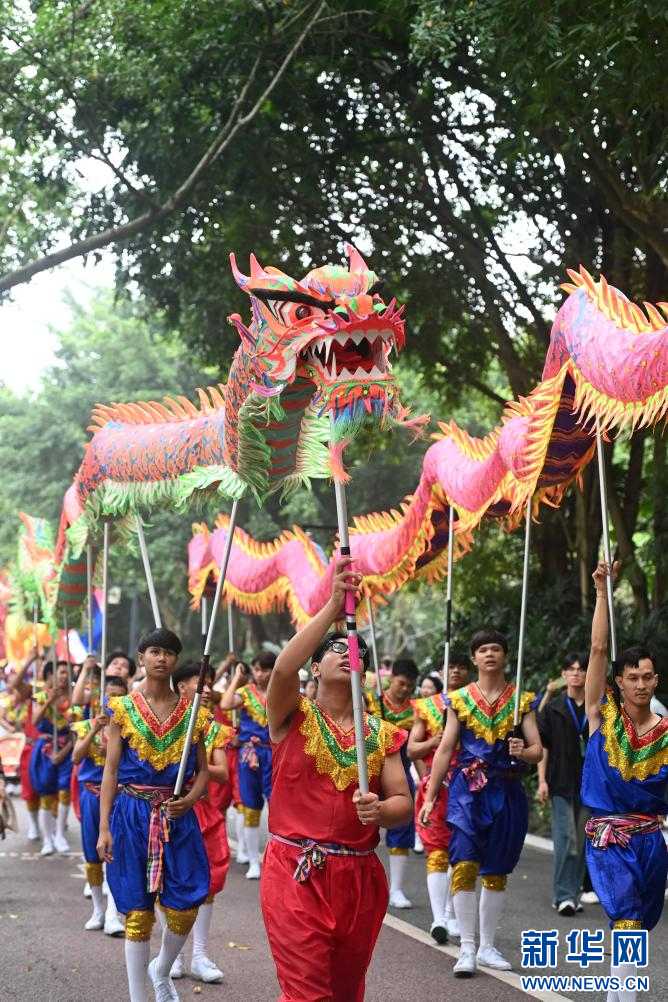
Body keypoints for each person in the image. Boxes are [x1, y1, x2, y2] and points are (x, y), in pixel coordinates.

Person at [261, 557, 412, 1002]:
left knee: (345, 992)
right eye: (337, 649)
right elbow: (282, 670)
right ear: (316, 667)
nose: (349, 654)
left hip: (359, 877)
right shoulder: (292, 715)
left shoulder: (381, 734)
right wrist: (332, 607)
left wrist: (380, 811)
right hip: (295, 869)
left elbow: (402, 803)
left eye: (357, 652)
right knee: (307, 992)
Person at [97, 628, 211, 1002]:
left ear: (177, 660)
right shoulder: (122, 709)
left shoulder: (194, 713)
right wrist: (104, 827)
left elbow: (203, 771)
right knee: (137, 912)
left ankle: (161, 969)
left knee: (186, 905)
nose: (162, 658)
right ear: (141, 657)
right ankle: (138, 997)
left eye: (169, 653)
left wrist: (190, 800)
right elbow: (111, 771)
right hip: (131, 815)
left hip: (176, 815)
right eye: (154, 651)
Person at [419, 629, 542, 977]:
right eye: (483, 649)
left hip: (507, 789)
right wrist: (430, 797)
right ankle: (467, 948)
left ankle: (487, 946)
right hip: (467, 793)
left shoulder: (522, 700)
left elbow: (537, 750)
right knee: (464, 864)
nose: (489, 654)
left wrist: (524, 751)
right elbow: (445, 749)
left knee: (497, 871)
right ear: (474, 658)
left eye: (496, 649)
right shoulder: (458, 699)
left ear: (505, 656)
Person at [583, 562, 668, 1002]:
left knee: (636, 926)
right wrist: (602, 592)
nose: (640, 684)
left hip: (651, 839)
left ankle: (617, 995)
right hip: (609, 836)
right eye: (631, 677)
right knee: (628, 919)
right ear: (619, 681)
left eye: (646, 677)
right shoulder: (602, 716)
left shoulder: (667, 734)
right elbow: (599, 648)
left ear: (656, 680)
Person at [168, 660, 233, 985]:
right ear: (182, 687)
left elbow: (222, 773)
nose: (208, 689)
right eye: (201, 683)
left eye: (209, 684)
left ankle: (200, 955)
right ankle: (173, 955)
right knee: (170, 881)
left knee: (209, 881)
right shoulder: (165, 722)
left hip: (203, 811)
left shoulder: (214, 728)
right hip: (170, 810)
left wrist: (197, 765)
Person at [409, 651, 470, 942]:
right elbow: (412, 749)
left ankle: (451, 913)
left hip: (469, 787)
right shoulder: (426, 707)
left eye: (460, 667)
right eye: (450, 667)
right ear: (441, 672)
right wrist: (434, 742)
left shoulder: (477, 705)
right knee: (436, 850)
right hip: (436, 785)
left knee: (462, 852)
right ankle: (439, 919)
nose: (455, 672)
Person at [71, 674, 128, 935]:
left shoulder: (130, 727)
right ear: (101, 697)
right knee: (92, 855)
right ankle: (97, 910)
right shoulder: (86, 725)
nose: (113, 700)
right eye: (109, 695)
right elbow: (76, 757)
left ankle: (113, 915)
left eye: (119, 695)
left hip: (119, 796)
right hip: (90, 796)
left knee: (115, 854)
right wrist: (95, 729)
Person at [537, 652, 591, 916]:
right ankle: (563, 895)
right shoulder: (554, 707)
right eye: (571, 668)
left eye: (581, 669)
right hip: (560, 781)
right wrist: (542, 780)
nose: (576, 673)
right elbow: (543, 746)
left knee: (582, 841)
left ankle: (574, 893)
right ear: (564, 674)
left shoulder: (598, 707)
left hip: (589, 785)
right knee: (565, 838)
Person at [365, 657, 418, 908]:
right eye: (401, 683)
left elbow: (416, 751)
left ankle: (396, 888)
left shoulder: (416, 711)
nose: (405, 689)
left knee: (402, 829)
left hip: (400, 773)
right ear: (392, 678)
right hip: (368, 773)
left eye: (410, 685)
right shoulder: (369, 702)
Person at [219, 649, 276, 879]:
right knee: (251, 807)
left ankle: (275, 860)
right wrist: (237, 678)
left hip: (274, 754)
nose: (259, 674)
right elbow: (225, 703)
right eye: (257, 669)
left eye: (264, 670)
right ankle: (254, 861)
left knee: (277, 808)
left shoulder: (281, 691)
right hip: (249, 756)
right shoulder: (246, 692)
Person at [30, 659, 80, 855]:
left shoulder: (75, 699)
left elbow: (76, 731)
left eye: (68, 672)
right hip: (45, 752)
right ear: (53, 675)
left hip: (66, 751)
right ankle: (47, 840)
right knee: (45, 794)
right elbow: (35, 721)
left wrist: (64, 752)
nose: (65, 676)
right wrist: (49, 702)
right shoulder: (41, 696)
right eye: (61, 672)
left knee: (64, 792)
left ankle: (59, 834)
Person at [6, 647, 45, 840]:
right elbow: (14, 684)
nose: (41, 666)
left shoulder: (62, 691)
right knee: (30, 789)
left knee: (54, 790)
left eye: (43, 663)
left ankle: (54, 830)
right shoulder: (33, 692)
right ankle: (34, 825)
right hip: (31, 746)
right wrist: (29, 660)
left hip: (54, 746)